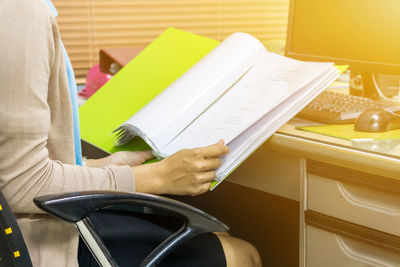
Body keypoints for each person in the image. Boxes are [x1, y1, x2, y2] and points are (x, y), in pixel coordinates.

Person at [0, 0, 262, 266]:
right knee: (242, 254)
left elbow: (9, 164)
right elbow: (21, 183)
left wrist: (100, 166)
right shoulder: (19, 9)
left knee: (216, 234)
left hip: (36, 222)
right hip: (28, 243)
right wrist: (157, 177)